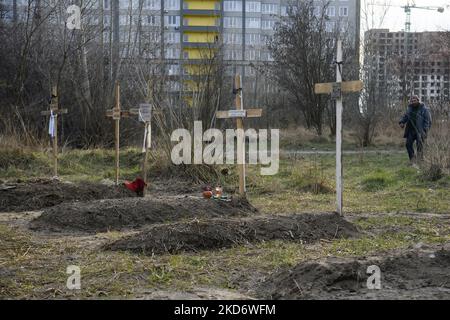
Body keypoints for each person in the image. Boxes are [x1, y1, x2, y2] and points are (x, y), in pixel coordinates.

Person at [399, 95, 432, 164]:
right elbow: (405, 116)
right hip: (411, 130)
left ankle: (420, 160)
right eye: (412, 101)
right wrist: (402, 122)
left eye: (415, 100)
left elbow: (428, 121)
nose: (413, 102)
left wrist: (425, 130)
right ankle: (413, 160)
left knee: (419, 145)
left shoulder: (424, 109)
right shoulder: (410, 108)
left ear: (418, 100)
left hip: (420, 131)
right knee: (408, 144)